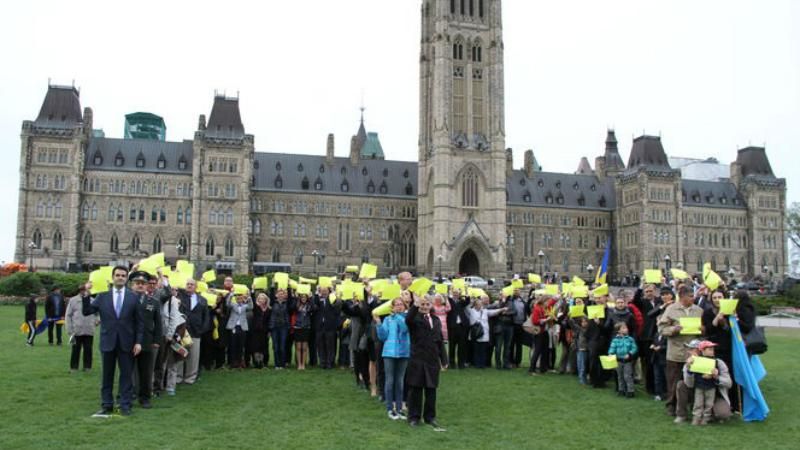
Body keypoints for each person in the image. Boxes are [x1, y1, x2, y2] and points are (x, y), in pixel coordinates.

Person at [82, 265, 143, 416]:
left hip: (127, 342)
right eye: (118, 275)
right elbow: (87, 311)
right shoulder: (102, 296)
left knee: (126, 375)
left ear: (127, 278)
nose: (120, 278)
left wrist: (138, 342)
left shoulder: (133, 297)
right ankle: (107, 404)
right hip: (108, 341)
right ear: (112, 277)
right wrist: (86, 293)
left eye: (123, 275)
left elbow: (139, 322)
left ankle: (125, 405)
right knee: (107, 375)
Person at [657, 284, 704, 418]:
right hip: (675, 352)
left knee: (692, 381)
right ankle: (671, 406)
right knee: (674, 381)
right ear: (682, 297)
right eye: (690, 296)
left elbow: (704, 330)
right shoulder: (671, 309)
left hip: (693, 353)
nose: (693, 298)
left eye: (693, 295)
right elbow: (661, 329)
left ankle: (691, 406)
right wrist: (674, 329)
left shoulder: (698, 310)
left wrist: (702, 329)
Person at [405, 295, 448, 431]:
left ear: (431, 305)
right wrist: (415, 305)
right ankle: (414, 417)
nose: (424, 307)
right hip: (417, 359)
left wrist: (444, 359)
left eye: (427, 304)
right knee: (416, 389)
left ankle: (430, 417)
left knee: (431, 390)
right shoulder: (414, 319)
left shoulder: (436, 320)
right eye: (422, 304)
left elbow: (439, 340)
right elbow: (408, 319)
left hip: (432, 360)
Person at [129, 271, 163, 409]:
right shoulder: (126, 300)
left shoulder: (153, 302)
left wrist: (156, 340)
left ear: (147, 285)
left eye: (143, 283)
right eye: (137, 283)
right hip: (129, 340)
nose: (140, 285)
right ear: (132, 285)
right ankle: (128, 395)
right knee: (128, 371)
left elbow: (158, 323)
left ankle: (145, 398)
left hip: (147, 341)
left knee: (146, 372)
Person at [682, 341, 733, 425]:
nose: (690, 351)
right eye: (710, 349)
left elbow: (729, 383)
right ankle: (695, 417)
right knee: (698, 402)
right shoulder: (691, 362)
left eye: (693, 349)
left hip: (712, 389)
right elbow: (689, 384)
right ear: (702, 350)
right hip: (698, 387)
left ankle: (707, 417)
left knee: (711, 405)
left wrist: (716, 377)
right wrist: (689, 368)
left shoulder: (718, 362)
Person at [376, 298, 410, 420]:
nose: (399, 306)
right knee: (389, 381)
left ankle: (399, 409)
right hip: (389, 353)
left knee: (400, 381)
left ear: (404, 306)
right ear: (392, 307)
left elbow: (405, 328)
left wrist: (397, 316)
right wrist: (379, 324)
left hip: (403, 352)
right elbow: (382, 337)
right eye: (396, 305)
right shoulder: (388, 319)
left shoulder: (407, 318)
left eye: (401, 304)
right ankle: (390, 409)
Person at [176, 279, 209, 384]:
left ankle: (190, 378)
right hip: (182, 331)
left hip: (196, 331)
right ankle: (178, 377)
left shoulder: (202, 300)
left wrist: (202, 329)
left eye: (192, 284)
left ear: (196, 287)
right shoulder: (180, 298)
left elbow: (206, 316)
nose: (189, 286)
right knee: (180, 354)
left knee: (193, 356)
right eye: (188, 284)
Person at [468, 295, 505, 369]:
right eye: (478, 304)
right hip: (476, 333)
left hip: (484, 333)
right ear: (475, 305)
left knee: (483, 350)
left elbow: (493, 312)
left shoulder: (484, 311)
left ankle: (482, 364)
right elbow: (466, 307)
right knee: (476, 350)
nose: (480, 306)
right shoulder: (471, 311)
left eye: (480, 304)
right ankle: (477, 364)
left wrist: (502, 309)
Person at [65, 285, 96, 372]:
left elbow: (98, 313)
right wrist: (69, 329)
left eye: (87, 290)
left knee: (88, 349)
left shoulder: (93, 301)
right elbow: (68, 315)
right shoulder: (73, 300)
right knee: (75, 349)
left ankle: (87, 367)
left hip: (89, 329)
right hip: (76, 330)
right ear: (80, 291)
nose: (85, 292)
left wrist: (97, 320)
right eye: (83, 290)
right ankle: (74, 367)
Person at [313, 286, 341, 369]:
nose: (324, 292)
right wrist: (317, 292)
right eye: (322, 291)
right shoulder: (318, 300)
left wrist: (333, 292)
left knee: (330, 346)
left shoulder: (332, 299)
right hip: (320, 326)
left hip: (330, 326)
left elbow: (337, 308)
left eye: (325, 291)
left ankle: (330, 363)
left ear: (328, 292)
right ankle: (322, 362)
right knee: (320, 345)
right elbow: (314, 305)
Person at [608, 322, 638, 398]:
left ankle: (630, 391)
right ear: (619, 330)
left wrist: (629, 354)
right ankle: (621, 390)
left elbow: (634, 348)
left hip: (627, 361)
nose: (626, 329)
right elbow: (612, 348)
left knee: (627, 376)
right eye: (624, 328)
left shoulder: (630, 339)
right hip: (618, 361)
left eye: (626, 327)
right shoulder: (615, 340)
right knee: (620, 376)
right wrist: (610, 353)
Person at [226, 289, 253, 369]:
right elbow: (227, 303)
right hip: (234, 327)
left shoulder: (245, 306)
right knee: (233, 345)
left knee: (241, 345)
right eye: (238, 299)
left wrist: (249, 298)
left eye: (240, 299)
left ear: (242, 299)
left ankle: (240, 362)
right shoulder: (233, 305)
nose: (239, 300)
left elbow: (251, 306)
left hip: (242, 327)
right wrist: (231, 295)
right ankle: (233, 362)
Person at [446, 288, 470, 369]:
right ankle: (452, 363)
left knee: (462, 346)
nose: (456, 294)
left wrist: (466, 293)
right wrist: (449, 292)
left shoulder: (461, 302)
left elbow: (467, 301)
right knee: (452, 346)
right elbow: (447, 300)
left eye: (457, 293)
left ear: (459, 294)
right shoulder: (449, 301)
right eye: (454, 293)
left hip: (461, 326)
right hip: (452, 327)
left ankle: (461, 363)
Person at [292, 292, 314, 370]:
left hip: (306, 327)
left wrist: (311, 298)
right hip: (297, 327)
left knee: (304, 348)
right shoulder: (297, 305)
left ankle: (303, 364)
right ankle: (299, 364)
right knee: (298, 347)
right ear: (300, 298)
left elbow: (314, 308)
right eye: (302, 297)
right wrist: (295, 298)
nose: (303, 298)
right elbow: (291, 307)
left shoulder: (309, 305)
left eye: (305, 297)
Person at [528, 296, 550, 375]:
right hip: (539, 332)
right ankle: (532, 369)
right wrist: (545, 320)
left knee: (545, 350)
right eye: (547, 301)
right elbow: (535, 321)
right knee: (537, 350)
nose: (548, 303)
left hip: (544, 331)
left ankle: (543, 368)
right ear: (543, 301)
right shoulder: (537, 308)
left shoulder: (544, 308)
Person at [248, 293, 271, 369]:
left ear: (266, 300)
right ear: (258, 300)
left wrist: (269, 331)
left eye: (263, 298)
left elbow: (269, 321)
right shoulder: (256, 307)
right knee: (255, 347)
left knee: (263, 347)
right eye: (260, 298)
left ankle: (262, 363)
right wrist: (252, 292)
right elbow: (252, 300)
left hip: (264, 331)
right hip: (255, 331)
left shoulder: (268, 309)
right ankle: (256, 363)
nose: (261, 300)